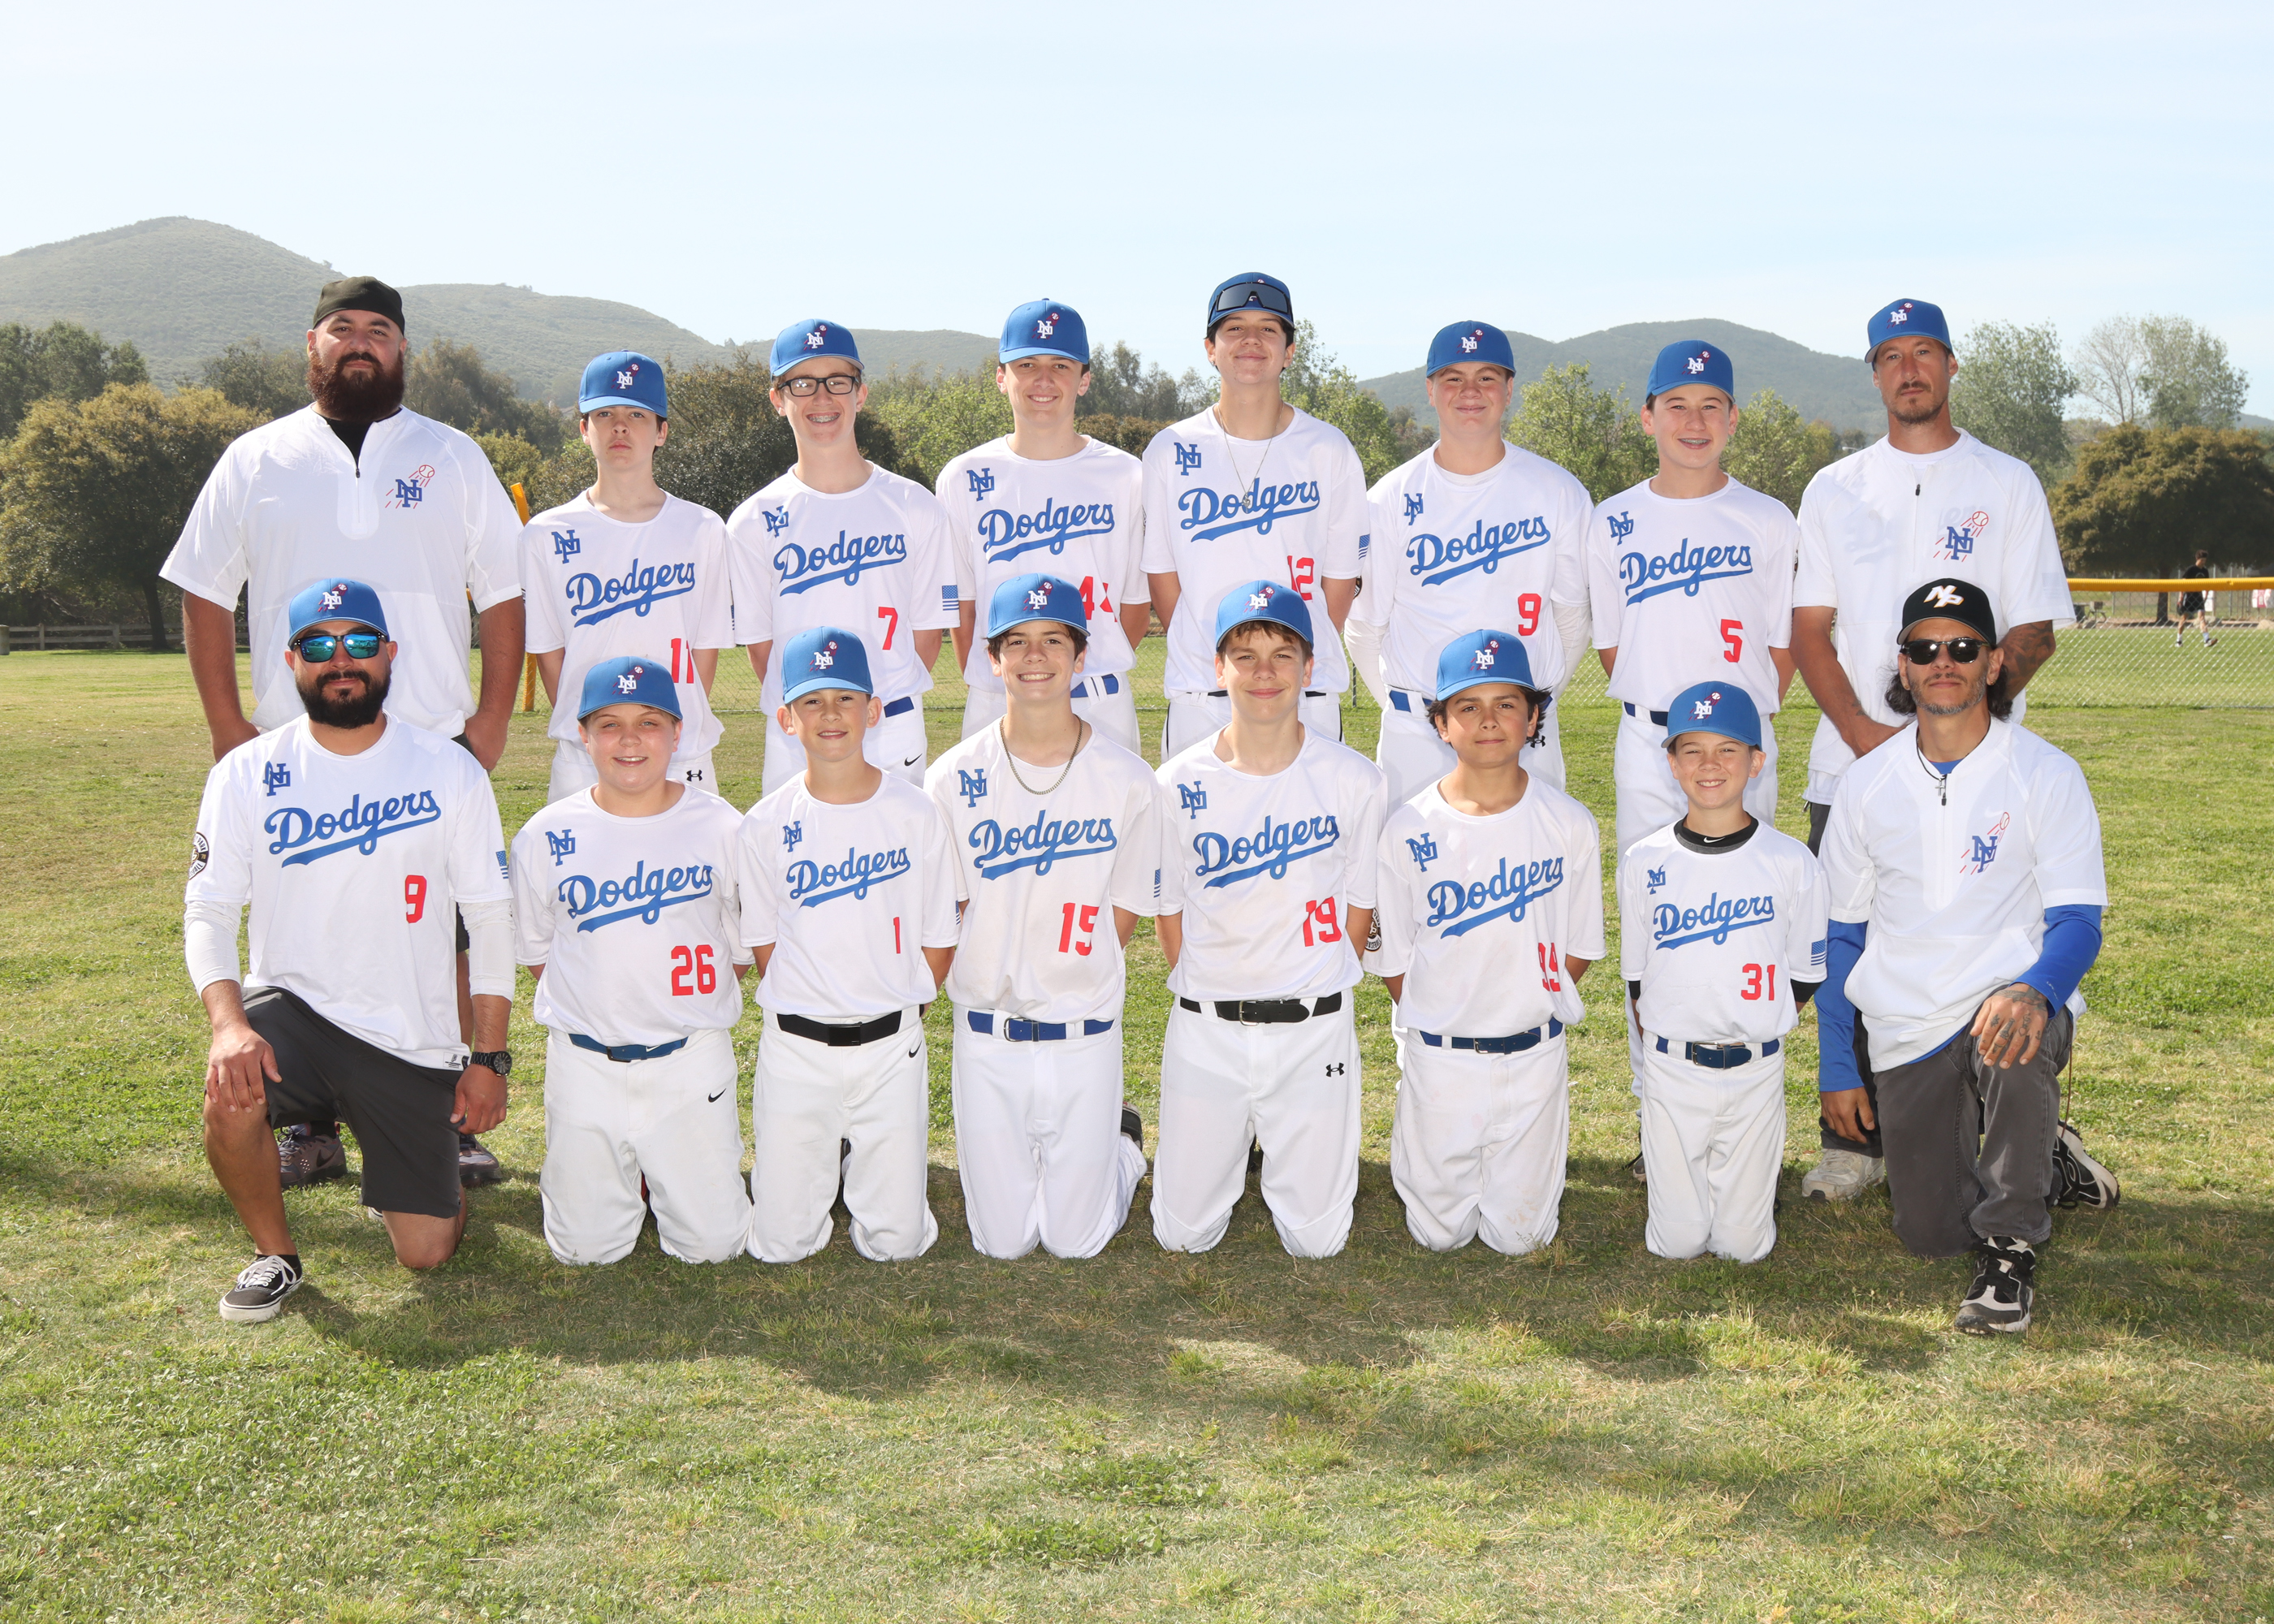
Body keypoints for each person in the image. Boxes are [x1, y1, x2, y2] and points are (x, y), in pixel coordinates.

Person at [162, 275, 525, 1194]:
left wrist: (489, 716)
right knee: (303, 927)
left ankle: (451, 1114)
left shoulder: (452, 455)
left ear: (402, 349)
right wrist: (227, 724)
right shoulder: (256, 457)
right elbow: (204, 589)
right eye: (341, 327)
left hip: (430, 736)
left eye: (379, 330)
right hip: (296, 741)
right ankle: (309, 1123)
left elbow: (504, 591)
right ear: (313, 345)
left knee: (446, 932)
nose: (360, 342)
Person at [1791, 298, 2076, 1202]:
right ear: (1874, 373)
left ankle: (2024, 1129)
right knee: (1850, 945)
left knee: (1980, 948)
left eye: (1924, 352)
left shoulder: (2006, 480)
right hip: (1853, 762)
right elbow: (1809, 632)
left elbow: (2033, 629)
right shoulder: (1834, 486)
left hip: (1980, 770)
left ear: (1951, 366)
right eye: (1890, 355)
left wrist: (1955, 733)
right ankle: (1854, 1141)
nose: (1908, 369)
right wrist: (1874, 742)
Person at [186, 580, 513, 1321]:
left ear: (390, 654)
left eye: (360, 642)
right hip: (294, 1013)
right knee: (231, 1090)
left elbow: (491, 917)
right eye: (319, 645)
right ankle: (275, 1254)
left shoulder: (448, 768)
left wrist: (489, 1059)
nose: (342, 660)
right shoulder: (246, 772)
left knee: (426, 1250)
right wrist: (229, 1026)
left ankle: (413, 1168)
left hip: (409, 1038)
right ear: (291, 661)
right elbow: (208, 908)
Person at [1815, 578, 2117, 1333]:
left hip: (2005, 1002)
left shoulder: (2046, 772)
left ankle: (2010, 1250)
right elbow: (1842, 936)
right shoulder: (1865, 783)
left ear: (1993, 663)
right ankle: (2049, 1160)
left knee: (2010, 1032)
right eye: (1925, 649)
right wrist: (1838, 1065)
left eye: (1962, 647)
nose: (1942, 661)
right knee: (1931, 1234)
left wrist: (2036, 990)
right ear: (1903, 666)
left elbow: (2078, 921)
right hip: (1908, 1020)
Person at [926, 574, 1158, 1259]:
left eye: (1054, 640)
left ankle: (1122, 1147)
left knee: (1075, 1242)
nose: (1036, 657)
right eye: (1017, 643)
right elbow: (950, 907)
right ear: (992, 659)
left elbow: (1124, 909)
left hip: (1083, 1033)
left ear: (1081, 656)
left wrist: (1070, 969)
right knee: (1003, 1242)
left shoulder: (1127, 778)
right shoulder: (951, 778)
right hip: (987, 1034)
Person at [1152, 581, 1386, 1257]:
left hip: (1312, 1030)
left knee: (1318, 1242)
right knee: (1183, 1236)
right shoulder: (1176, 783)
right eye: (1245, 655)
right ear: (1217, 668)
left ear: (1309, 668)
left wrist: (1311, 983)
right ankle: (1124, 1139)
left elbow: (1359, 908)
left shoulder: (1354, 779)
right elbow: (1170, 912)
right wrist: (1216, 984)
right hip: (1208, 1028)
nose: (1264, 672)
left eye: (1283, 655)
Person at [509, 655, 752, 1265]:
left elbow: (741, 948)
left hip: (689, 1056)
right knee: (582, 1251)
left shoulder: (722, 826)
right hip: (586, 1060)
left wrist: (674, 1005)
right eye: (609, 725)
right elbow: (539, 952)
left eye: (649, 723)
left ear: (677, 733)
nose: (630, 741)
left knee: (714, 1247)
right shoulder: (546, 834)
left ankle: (662, 1164)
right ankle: (629, 1169)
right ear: (583, 736)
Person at [1365, 630, 1603, 1254]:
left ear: (1533, 719)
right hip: (1441, 1057)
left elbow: (1578, 947)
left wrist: (1523, 1002)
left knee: (1521, 1237)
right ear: (1441, 725)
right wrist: (1444, 1015)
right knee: (1437, 1235)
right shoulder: (1408, 829)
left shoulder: (1569, 823)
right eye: (1468, 707)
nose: (1489, 721)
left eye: (1507, 704)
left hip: (1532, 1055)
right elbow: (1394, 960)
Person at [735, 626, 959, 1263]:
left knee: (898, 1244)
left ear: (873, 710)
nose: (830, 714)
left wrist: (894, 1003)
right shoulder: (765, 823)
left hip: (889, 1047)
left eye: (845, 699)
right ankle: (817, 1166)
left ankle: (859, 1175)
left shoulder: (915, 813)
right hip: (797, 1048)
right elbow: (764, 945)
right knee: (781, 1245)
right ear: (787, 718)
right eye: (812, 701)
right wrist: (817, 1000)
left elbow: (938, 939)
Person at [1617, 683, 1826, 1263]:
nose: (1710, 765)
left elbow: (1805, 976)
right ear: (1672, 763)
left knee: (1744, 1247)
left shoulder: (1790, 861)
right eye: (1692, 750)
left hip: (1755, 1067)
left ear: (1757, 762)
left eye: (1728, 749)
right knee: (1676, 1243)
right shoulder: (1644, 860)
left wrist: (1749, 1018)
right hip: (1672, 1068)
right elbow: (1637, 979)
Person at [1350, 323, 1593, 806]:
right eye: (1453, 378)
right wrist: (1416, 710)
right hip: (1418, 730)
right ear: (1430, 390)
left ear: (1509, 389)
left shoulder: (1557, 490)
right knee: (1412, 855)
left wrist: (1530, 708)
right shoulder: (1389, 498)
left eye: (1486, 377)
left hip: (1523, 729)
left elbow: (1572, 618)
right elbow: (1364, 628)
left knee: (1533, 852)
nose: (1470, 392)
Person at [725, 320, 961, 797]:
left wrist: (872, 703)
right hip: (797, 731)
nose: (821, 397)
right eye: (802, 384)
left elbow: (926, 636)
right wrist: (814, 710)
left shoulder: (915, 505)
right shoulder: (752, 520)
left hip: (891, 723)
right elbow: (761, 645)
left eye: (837, 381)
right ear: (778, 399)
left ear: (861, 393)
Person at [1142, 274, 1368, 756]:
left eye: (1268, 329)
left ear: (1289, 351)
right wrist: (1212, 651)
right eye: (1234, 328)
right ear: (1211, 348)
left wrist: (1288, 660)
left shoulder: (1328, 448)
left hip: (1306, 693)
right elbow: (1163, 578)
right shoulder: (1171, 449)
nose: (1251, 340)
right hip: (1202, 689)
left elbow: (1339, 582)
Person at [1585, 340, 1796, 856]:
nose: (1695, 422)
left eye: (1711, 406)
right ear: (1648, 418)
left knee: (1746, 884)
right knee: (1650, 885)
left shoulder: (1769, 518)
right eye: (1677, 405)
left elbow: (1783, 644)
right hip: (1647, 740)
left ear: (1733, 418)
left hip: (1740, 738)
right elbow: (1612, 645)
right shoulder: (1611, 519)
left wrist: (1737, 727)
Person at [523, 352, 737, 801]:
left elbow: (704, 648)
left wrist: (672, 730)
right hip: (585, 755)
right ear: (585, 430)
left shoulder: (702, 527)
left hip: (682, 750)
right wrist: (591, 732)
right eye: (605, 414)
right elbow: (550, 650)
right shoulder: (546, 533)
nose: (620, 427)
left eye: (637, 414)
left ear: (661, 431)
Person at [938, 301, 1150, 752]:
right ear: (1001, 377)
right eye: (1027, 365)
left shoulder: (1126, 475)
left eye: (1061, 366)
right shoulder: (963, 477)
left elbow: (1133, 607)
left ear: (1084, 380)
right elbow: (964, 606)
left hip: (1097, 696)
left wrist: (1080, 666)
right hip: (997, 696)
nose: (1044, 379)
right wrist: (1001, 676)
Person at [2175, 551, 2217, 649]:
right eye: (2202, 560)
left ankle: (2207, 640)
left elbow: (2207, 585)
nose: (2203, 562)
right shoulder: (2191, 570)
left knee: (2202, 618)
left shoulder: (2205, 571)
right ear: (2197, 559)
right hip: (2189, 596)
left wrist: (2206, 596)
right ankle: (2179, 640)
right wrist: (2181, 597)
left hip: (2199, 596)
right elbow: (2182, 584)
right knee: (2184, 618)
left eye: (2205, 560)